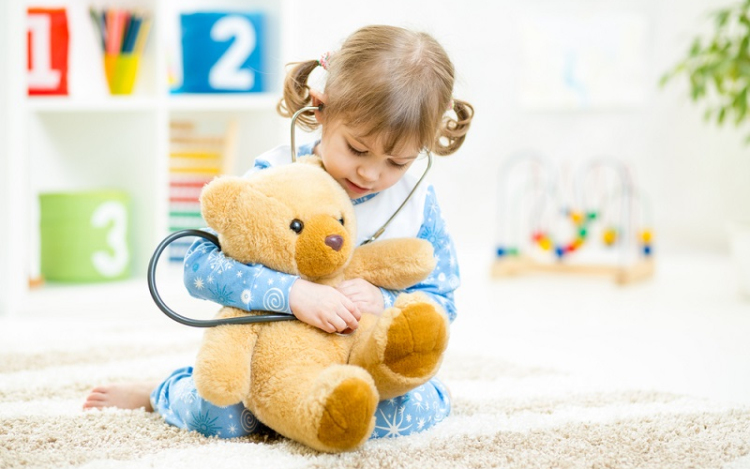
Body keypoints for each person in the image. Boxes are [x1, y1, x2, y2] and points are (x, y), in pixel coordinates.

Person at [84, 24, 473, 440]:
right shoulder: (275, 177)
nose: (371, 173)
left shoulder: (417, 203)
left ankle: (324, 410)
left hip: (358, 359)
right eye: (358, 149)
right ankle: (162, 391)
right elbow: (198, 269)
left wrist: (385, 301)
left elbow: (441, 301)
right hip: (273, 357)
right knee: (222, 418)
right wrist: (290, 293)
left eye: (398, 162)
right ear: (320, 108)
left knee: (398, 412)